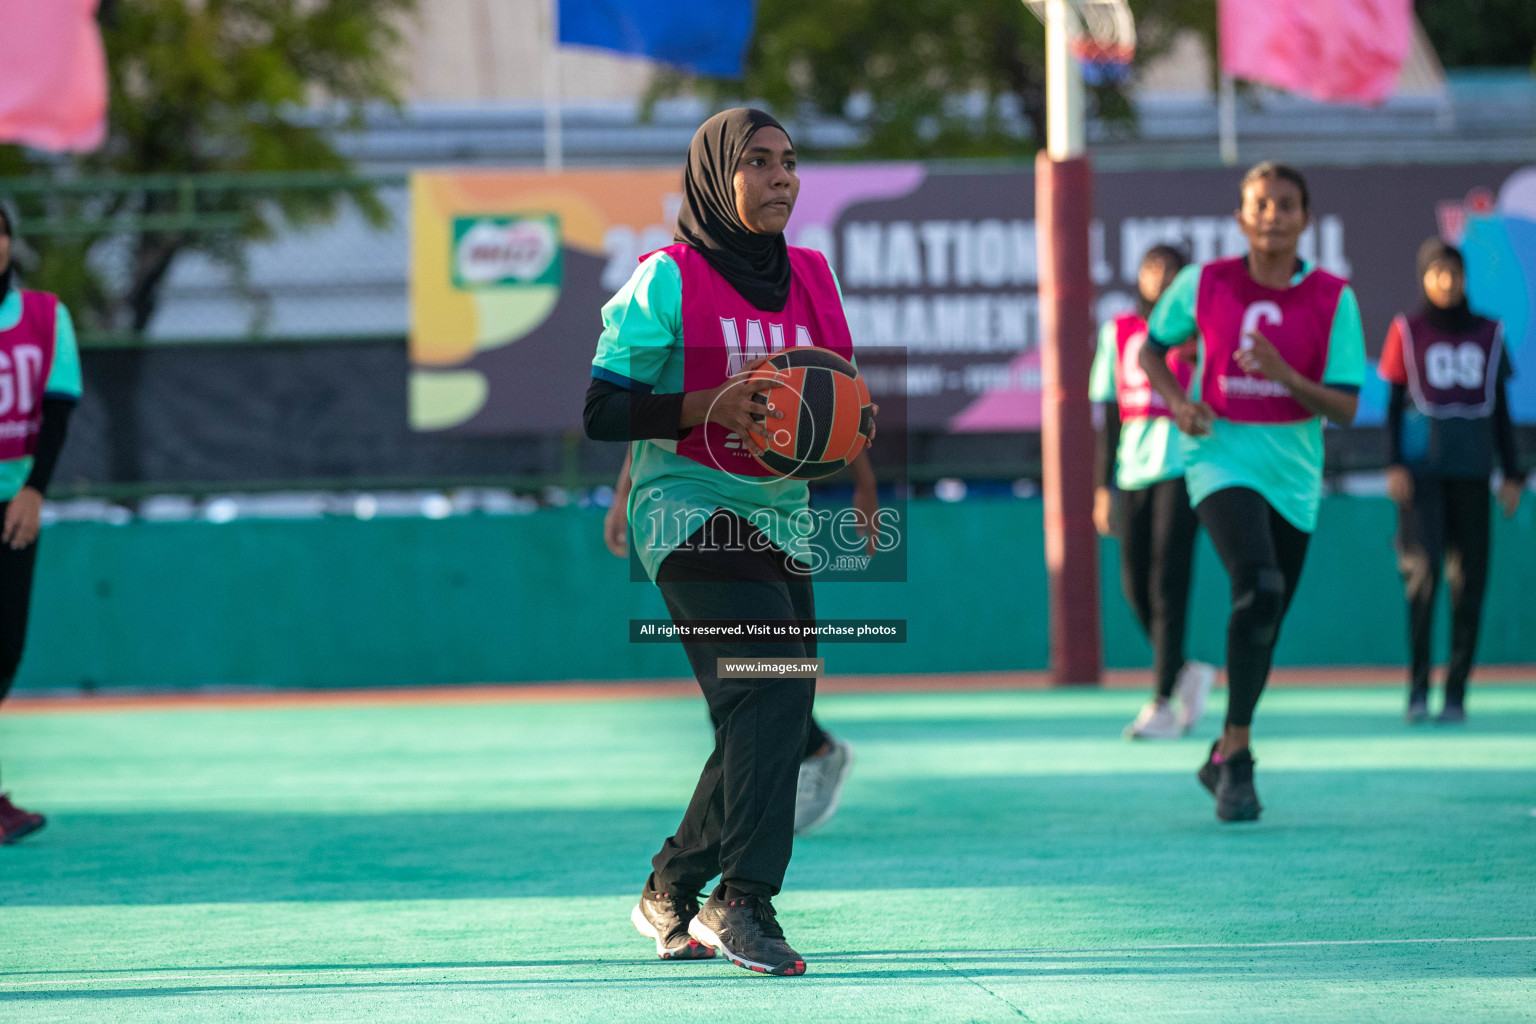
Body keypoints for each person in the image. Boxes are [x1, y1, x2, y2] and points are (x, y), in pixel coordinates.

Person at [584, 108, 877, 975]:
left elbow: (839, 397)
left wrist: (858, 467)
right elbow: (603, 410)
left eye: (790, 161)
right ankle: (742, 901)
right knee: (777, 685)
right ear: (717, 174)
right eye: (758, 162)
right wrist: (700, 408)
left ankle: (671, 887)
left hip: (779, 512)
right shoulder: (665, 279)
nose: (781, 177)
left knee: (766, 707)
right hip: (684, 505)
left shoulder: (815, 276)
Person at [1139, 162, 1365, 822]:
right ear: (1241, 217)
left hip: (1293, 473)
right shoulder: (1203, 284)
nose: (1273, 214)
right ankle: (1238, 763)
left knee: (1267, 618)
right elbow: (1153, 350)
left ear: (1304, 218)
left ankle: (1227, 745)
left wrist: (1284, 373)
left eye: (1286, 204)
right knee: (1257, 585)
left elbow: (1346, 406)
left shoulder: (1332, 298)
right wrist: (1179, 401)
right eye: (1260, 204)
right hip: (1219, 455)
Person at [602, 447, 858, 834]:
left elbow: (829, 405)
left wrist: (860, 461)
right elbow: (640, 411)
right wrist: (624, 493)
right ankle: (804, 758)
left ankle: (808, 755)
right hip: (690, 510)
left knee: (758, 682)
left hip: (769, 512)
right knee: (741, 683)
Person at [1378, 238, 1523, 725]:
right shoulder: (1407, 330)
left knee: (1470, 583)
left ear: (1465, 278)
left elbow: (1501, 409)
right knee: (1423, 578)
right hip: (1421, 477)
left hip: (1472, 473)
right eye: (1436, 272)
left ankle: (1456, 692)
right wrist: (1394, 463)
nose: (1446, 281)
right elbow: (1393, 406)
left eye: (1453, 273)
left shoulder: (1489, 332)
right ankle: (1418, 688)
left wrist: (1514, 471)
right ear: (1423, 277)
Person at [1089, 244, 1217, 739]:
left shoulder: (1199, 333)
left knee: (1169, 584)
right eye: (1150, 267)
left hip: (1184, 468)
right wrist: (1103, 488)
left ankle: (1162, 702)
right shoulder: (1118, 331)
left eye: (1170, 269)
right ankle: (1186, 671)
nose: (1158, 276)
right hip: (1132, 472)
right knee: (1133, 585)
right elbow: (1107, 417)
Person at [0, 205, 82, 844]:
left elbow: (56, 412)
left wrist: (35, 489)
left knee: (5, 650)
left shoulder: (44, 317)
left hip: (12, 510)